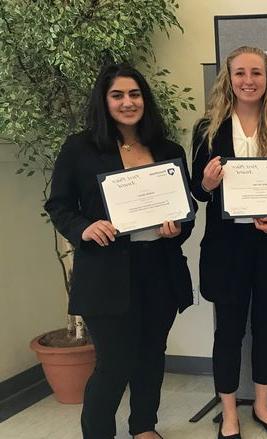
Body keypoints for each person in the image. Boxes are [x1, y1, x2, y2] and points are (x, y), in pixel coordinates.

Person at [45, 63, 195, 439]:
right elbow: (59, 206)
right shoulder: (80, 148)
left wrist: (176, 227)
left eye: (135, 94)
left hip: (159, 270)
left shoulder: (168, 149)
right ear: (104, 101)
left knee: (150, 358)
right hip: (106, 274)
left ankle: (144, 427)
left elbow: (186, 212)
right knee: (113, 364)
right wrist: (85, 228)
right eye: (118, 95)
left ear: (144, 99)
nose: (128, 102)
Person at [190, 46, 267, 439]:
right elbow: (197, 190)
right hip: (227, 249)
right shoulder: (207, 129)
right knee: (227, 330)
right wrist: (207, 184)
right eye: (240, 73)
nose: (248, 80)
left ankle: (262, 404)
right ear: (228, 78)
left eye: (256, 73)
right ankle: (229, 412)